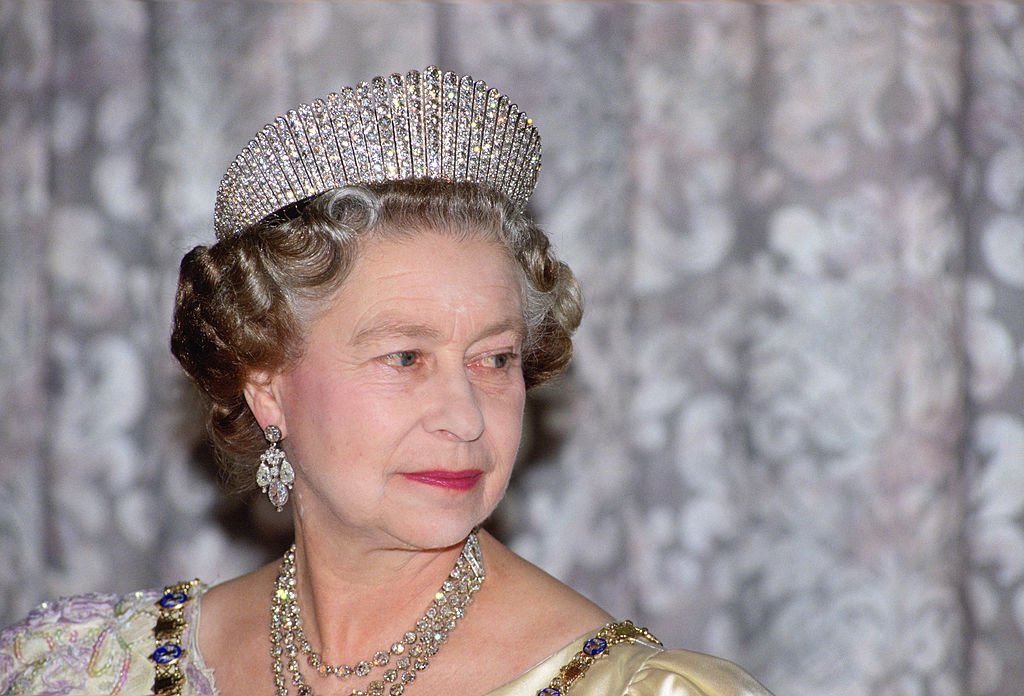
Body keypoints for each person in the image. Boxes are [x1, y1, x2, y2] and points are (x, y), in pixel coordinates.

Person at [0, 67, 774, 696]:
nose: (466, 419)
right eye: (406, 357)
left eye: (495, 359)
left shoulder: (640, 691)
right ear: (265, 380)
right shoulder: (96, 671)